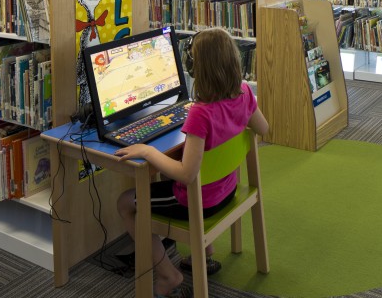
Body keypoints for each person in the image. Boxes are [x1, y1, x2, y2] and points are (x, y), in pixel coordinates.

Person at [115, 28, 270, 298]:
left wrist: (149, 151)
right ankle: (205, 252)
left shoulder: (200, 114)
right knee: (171, 172)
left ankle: (168, 275)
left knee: (126, 202)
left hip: (199, 203)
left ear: (199, 70)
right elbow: (263, 128)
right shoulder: (244, 92)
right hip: (228, 191)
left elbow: (186, 174)